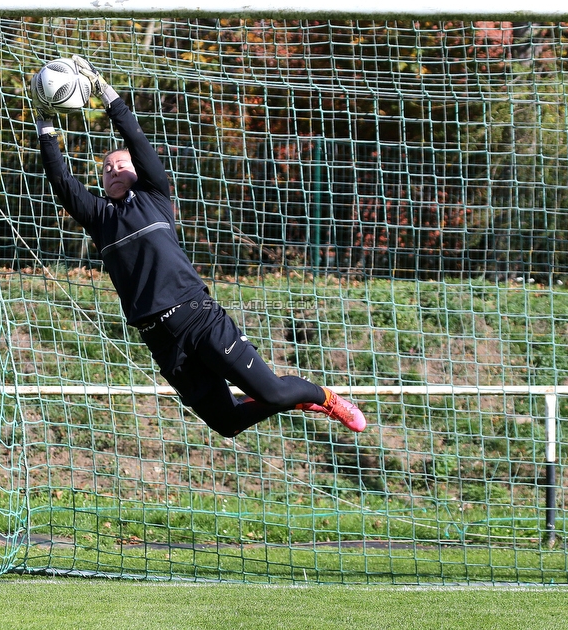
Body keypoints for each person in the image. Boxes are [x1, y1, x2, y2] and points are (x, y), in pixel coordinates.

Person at [32, 56, 366, 438]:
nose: (112, 170)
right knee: (226, 423)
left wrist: (107, 95)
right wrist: (45, 125)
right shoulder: (99, 217)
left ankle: (320, 396)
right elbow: (62, 182)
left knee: (272, 393)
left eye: (120, 164)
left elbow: (136, 140)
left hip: (198, 317)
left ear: (139, 173)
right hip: (160, 340)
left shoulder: (154, 195)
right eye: (105, 169)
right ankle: (291, 397)